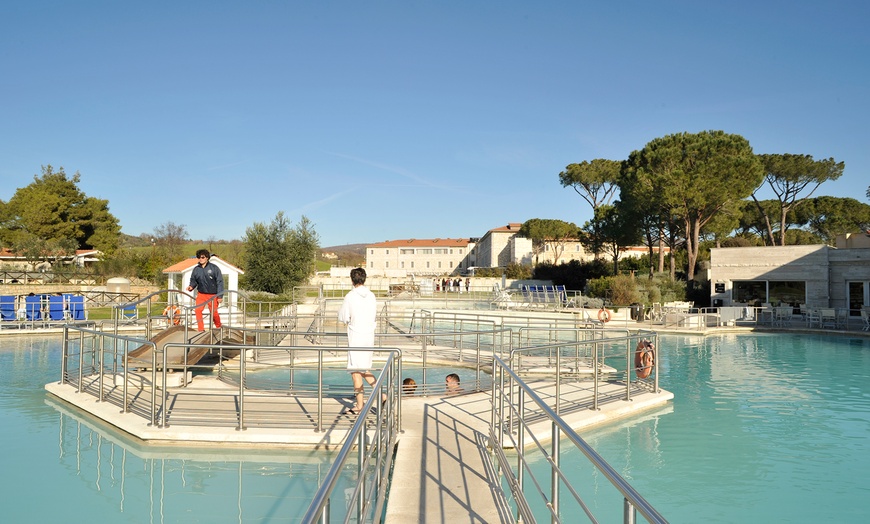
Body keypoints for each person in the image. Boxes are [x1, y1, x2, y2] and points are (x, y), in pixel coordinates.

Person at [338, 267, 379, 414]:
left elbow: (343, 317)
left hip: (356, 335)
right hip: (368, 335)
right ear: (364, 278)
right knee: (364, 368)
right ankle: (380, 395)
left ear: (352, 279)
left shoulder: (350, 296)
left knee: (356, 371)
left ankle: (361, 405)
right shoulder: (372, 295)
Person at [186, 249, 223, 332]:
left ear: (207, 258)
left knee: (214, 313)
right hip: (201, 294)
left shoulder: (214, 268)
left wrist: (220, 296)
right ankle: (201, 329)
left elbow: (220, 282)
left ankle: (219, 326)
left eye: (202, 257)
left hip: (213, 294)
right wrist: (191, 286)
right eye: (199, 257)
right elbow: (193, 280)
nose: (200, 259)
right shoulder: (196, 269)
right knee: (197, 310)